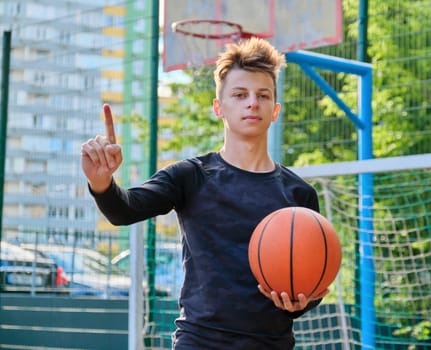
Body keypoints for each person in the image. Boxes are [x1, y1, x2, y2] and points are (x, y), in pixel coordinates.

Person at [81, 37, 328, 349]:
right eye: (240, 95)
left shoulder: (299, 195)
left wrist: (301, 303)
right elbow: (124, 210)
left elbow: (308, 284)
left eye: (262, 95)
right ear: (218, 108)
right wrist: (102, 183)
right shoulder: (191, 176)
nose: (252, 102)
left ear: (275, 110)